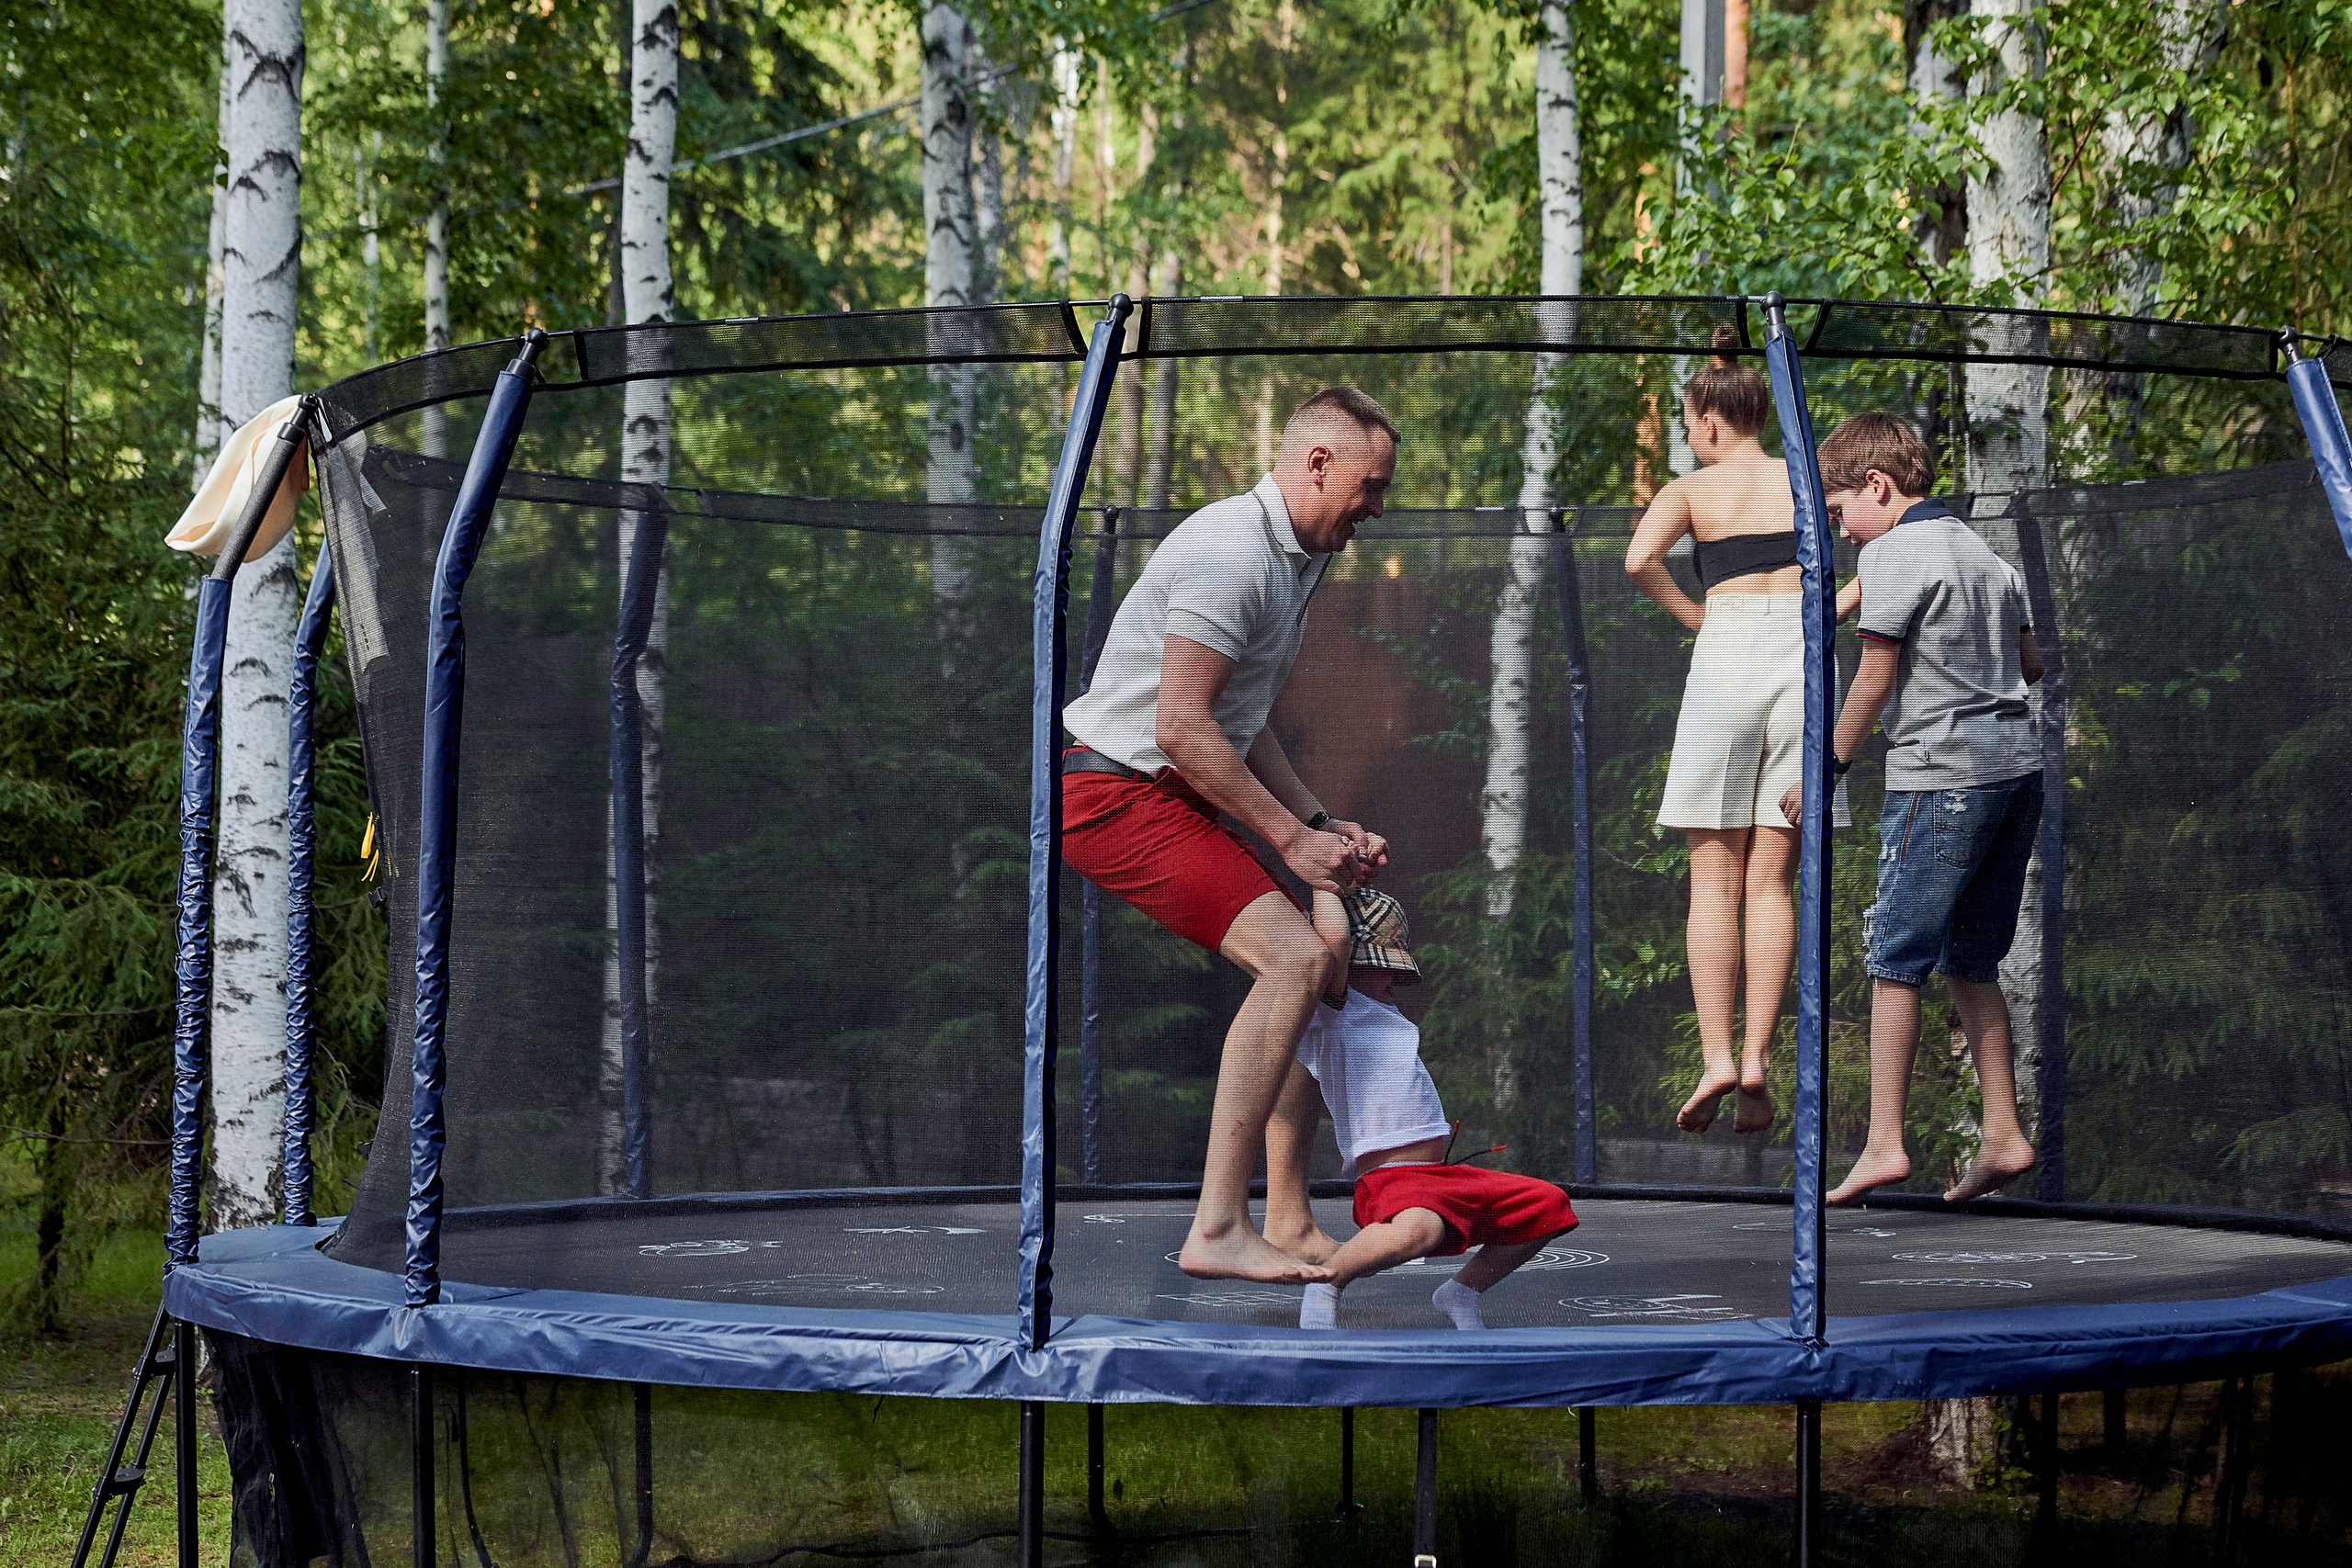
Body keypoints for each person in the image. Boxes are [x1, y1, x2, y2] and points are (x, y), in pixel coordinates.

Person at [1060, 389, 1398, 1284]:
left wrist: (1320, 825)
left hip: (1173, 792)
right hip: (1117, 794)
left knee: (1321, 955)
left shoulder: (1294, 561)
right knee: (1293, 959)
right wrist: (1292, 842)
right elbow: (1180, 726)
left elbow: (1237, 723)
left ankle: (1284, 1217)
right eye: (1370, 486)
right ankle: (1216, 1227)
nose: (1376, 507)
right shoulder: (1229, 553)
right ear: (1317, 463)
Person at [1775, 412, 2044, 1206]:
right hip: (2015, 773)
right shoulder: (1982, 553)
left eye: (1836, 513)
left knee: (1896, 956)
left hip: (1942, 778)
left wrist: (1827, 768)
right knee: (1970, 959)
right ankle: (2003, 1130)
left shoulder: (1892, 550)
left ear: (1877, 487)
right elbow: (2030, 662)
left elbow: (1873, 678)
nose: (1840, 530)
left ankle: (1883, 1142)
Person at [1624, 325, 1861, 1138]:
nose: (1693, 438)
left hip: (1727, 652)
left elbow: (1637, 560)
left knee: (1712, 881)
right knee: (1773, 878)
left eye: (1692, 426)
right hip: (1804, 657)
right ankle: (1759, 1054)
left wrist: (1698, 617)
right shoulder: (1807, 477)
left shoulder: (1695, 487)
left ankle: (1718, 1056)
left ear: (1710, 421)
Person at [1261, 886, 1579, 1330]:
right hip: (1392, 1181)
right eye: (1379, 965)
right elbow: (1331, 943)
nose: (1391, 977)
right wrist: (1326, 880)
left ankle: (1460, 1292)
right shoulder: (1332, 1011)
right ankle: (1327, 1283)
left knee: (1549, 1205)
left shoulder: (1382, 1013)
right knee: (1422, 1230)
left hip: (1440, 1177)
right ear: (1347, 965)